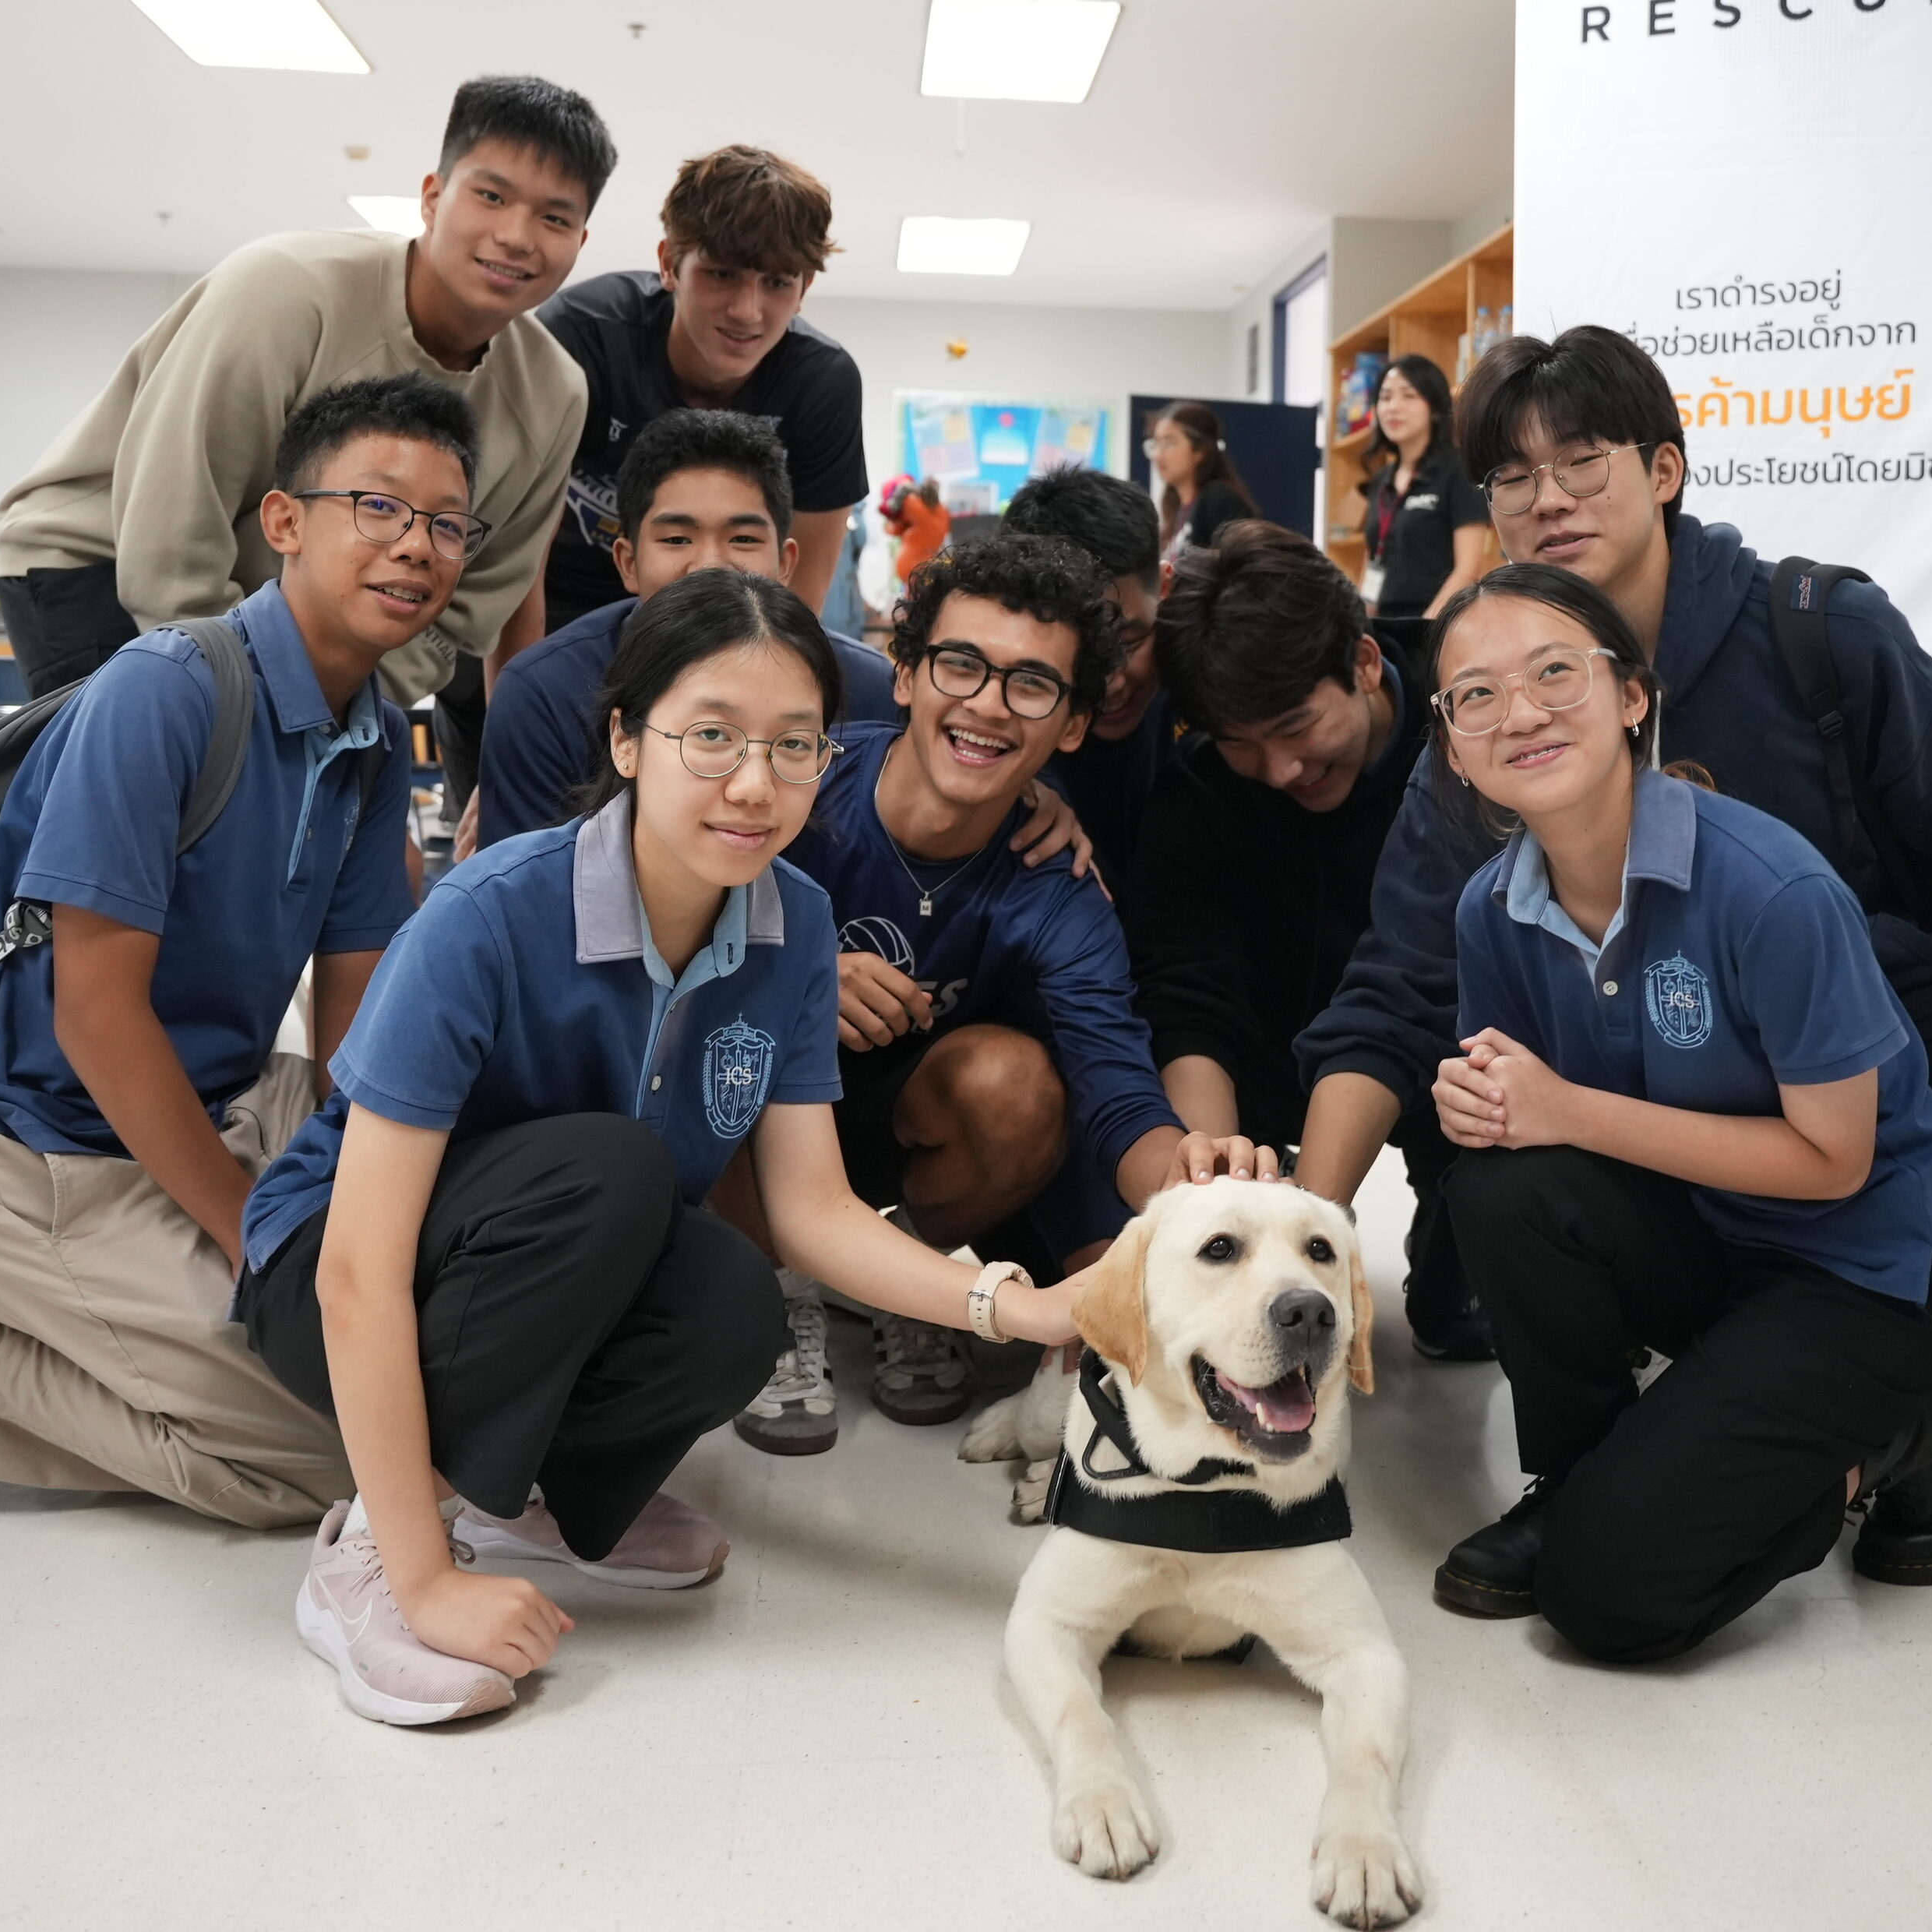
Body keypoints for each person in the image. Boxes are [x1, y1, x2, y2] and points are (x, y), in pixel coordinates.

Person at [229, 566, 1261, 1725]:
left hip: (535, 1271)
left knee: (732, 1300)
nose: (753, 783)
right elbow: (357, 1268)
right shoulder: (491, 914)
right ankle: (369, 1557)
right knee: (613, 1175)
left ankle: (516, 1494)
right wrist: (423, 1579)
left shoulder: (789, 918)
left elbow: (813, 1212)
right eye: (709, 737)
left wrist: (1021, 1309)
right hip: (334, 1277)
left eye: (794, 745)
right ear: (626, 739)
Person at [1293, 323, 1932, 1416]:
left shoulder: (1819, 633)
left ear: (1663, 470)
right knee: (1496, 1153)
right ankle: (1710, 1371)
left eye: (1581, 462)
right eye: (1512, 478)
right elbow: (1398, 979)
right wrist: (1297, 1238)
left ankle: (1907, 1348)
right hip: (1614, 1039)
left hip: (1847, 1023)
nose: (1548, 500)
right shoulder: (1489, 706)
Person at [0, 373, 455, 1522]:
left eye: (446, 523)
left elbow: (352, 1007)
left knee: (429, 1371)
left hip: (223, 1100)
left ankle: (92, 1314)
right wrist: (254, 1233)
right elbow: (96, 1016)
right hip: (32, 1143)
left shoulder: (377, 730)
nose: (416, 547)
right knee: (350, 1461)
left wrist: (356, 1212)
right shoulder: (165, 695)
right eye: (379, 507)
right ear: (284, 522)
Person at [1418, 564, 1932, 1662]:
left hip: (1858, 1271)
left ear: (1632, 696)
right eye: (1476, 697)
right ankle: (1575, 1475)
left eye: (1554, 673)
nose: (1521, 713)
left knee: (1609, 1603)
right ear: (1451, 744)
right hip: (1704, 1233)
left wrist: (1562, 1111)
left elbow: (1833, 1163)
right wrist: (1482, 1108)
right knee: (1498, 1181)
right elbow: (1532, 1130)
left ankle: (1903, 1426)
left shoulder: (1768, 888)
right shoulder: (1488, 909)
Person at [731, 533, 1203, 1453]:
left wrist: (1202, 1186)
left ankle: (898, 1279)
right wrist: (801, 975)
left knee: (1018, 1083)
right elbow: (660, 939)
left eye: (1031, 684)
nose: (988, 703)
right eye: (961, 665)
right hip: (752, 1127)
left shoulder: (1056, 883)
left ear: (1071, 725)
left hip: (909, 1134)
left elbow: (1115, 1085)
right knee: (722, 1032)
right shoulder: (795, 785)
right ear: (905, 674)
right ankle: (774, 1296)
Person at [0, 75, 612, 710]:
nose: (516, 235)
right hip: (102, 563)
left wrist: (348, 699)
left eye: (554, 217)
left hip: (294, 628)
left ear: (580, 241)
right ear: (432, 196)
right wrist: (267, 706)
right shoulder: (284, 292)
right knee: (143, 793)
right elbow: (170, 537)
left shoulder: (554, 394)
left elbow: (471, 605)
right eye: (490, 195)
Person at [476, 146, 863, 844]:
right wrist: (509, 736)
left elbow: (797, 587)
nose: (749, 310)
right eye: (720, 274)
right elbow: (515, 555)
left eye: (779, 282)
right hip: (557, 597)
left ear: (804, 289)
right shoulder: (578, 339)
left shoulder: (822, 381)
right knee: (535, 829)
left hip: (729, 611)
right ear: (668, 264)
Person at [1130, 521, 1432, 1200]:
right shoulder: (1202, 788)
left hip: (1456, 1059)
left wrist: (1315, 1216)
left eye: (1297, 727)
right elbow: (1186, 985)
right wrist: (1216, 1181)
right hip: (1270, 1053)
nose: (1281, 769)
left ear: (1363, 662)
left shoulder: (1466, 728)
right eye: (1242, 742)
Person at [476, 410, 894, 845]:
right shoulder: (545, 693)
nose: (711, 565)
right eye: (677, 539)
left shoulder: (867, 692)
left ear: (787, 563)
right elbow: (523, 888)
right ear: (628, 563)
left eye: (743, 540)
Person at [999, 466, 1170, 906]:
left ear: (1166, 589)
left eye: (1132, 640)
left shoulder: (1211, 702)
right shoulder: (991, 738)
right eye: (1084, 653)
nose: (1111, 681)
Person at [1357, 355, 1485, 623]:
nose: (1393, 407)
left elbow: (1468, 569)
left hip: (1438, 624)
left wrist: (1424, 629)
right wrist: (1362, 627)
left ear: (1434, 407)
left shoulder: (1459, 470)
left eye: (1408, 396)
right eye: (1385, 397)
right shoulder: (1381, 481)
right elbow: (1371, 564)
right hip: (1385, 626)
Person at [1146, 400, 1257, 566]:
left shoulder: (1219, 499)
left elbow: (1239, 570)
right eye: (1156, 444)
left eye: (1169, 443)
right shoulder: (1176, 509)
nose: (1158, 455)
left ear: (1200, 451)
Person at [883, 476, 949, 586]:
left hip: (915, 570)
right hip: (925, 569)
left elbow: (893, 526)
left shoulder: (915, 505)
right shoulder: (942, 512)